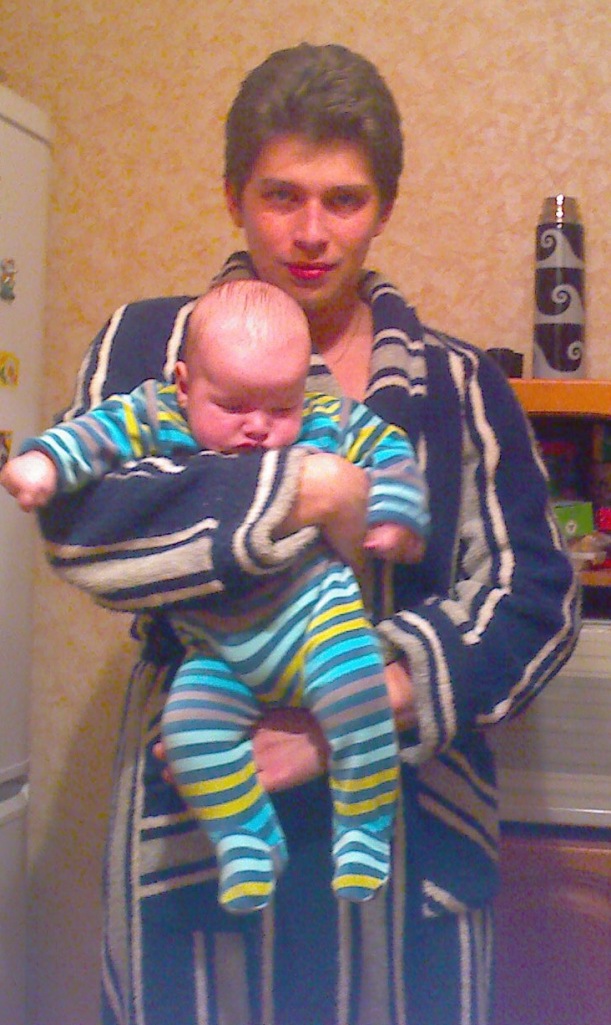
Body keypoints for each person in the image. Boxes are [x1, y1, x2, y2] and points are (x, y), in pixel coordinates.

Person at [31, 42, 578, 1025]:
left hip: (410, 842)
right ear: (233, 196)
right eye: (281, 195)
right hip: (197, 827)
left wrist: (348, 714)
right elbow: (87, 525)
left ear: (384, 207)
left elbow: (532, 598)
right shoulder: (148, 346)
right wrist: (304, 488)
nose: (312, 232)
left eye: (344, 199)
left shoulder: (459, 386)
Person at [1, 279, 429, 913]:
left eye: (281, 408)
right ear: (183, 383)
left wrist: (393, 510)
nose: (258, 428)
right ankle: (247, 839)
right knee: (189, 731)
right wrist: (43, 463)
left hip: (319, 622)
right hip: (217, 651)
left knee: (358, 698)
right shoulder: (156, 411)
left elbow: (389, 449)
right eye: (232, 406)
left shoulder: (326, 414)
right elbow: (96, 437)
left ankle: (364, 826)